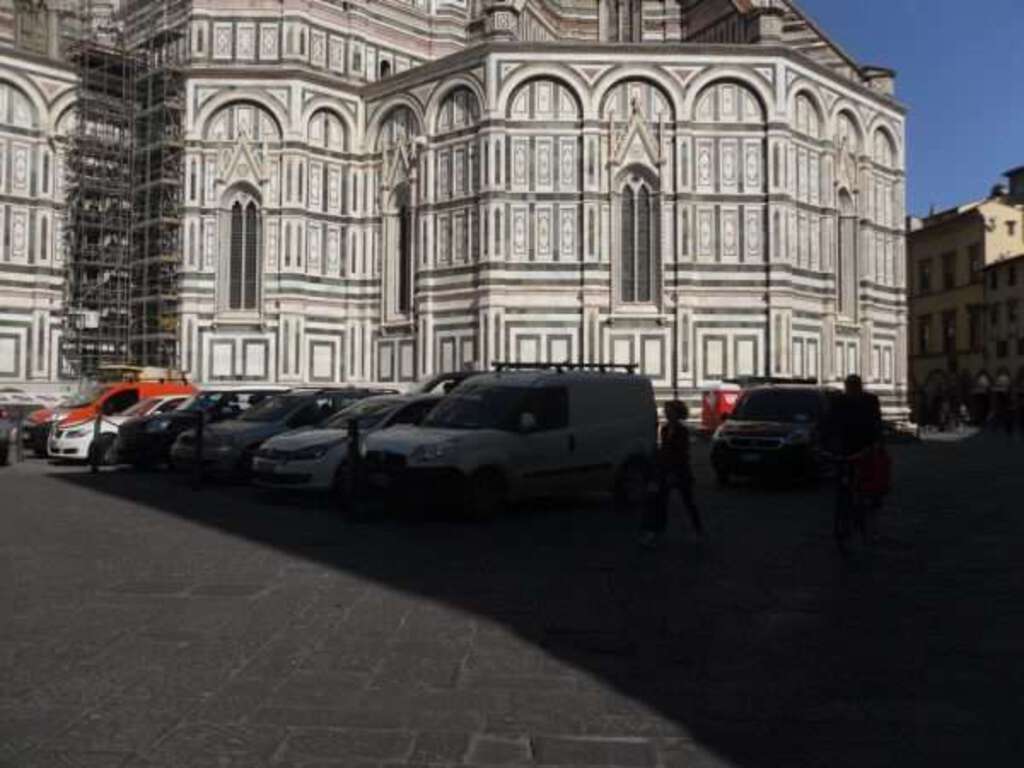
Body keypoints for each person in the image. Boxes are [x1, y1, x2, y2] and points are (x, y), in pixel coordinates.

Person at [641, 400, 704, 548]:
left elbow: (681, 453)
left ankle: (697, 531)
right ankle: (656, 532)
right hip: (667, 470)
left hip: (680, 471)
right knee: (660, 503)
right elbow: (665, 450)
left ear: (677, 413)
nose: (667, 414)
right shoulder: (665, 429)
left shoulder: (682, 431)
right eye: (666, 411)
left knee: (688, 503)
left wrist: (672, 470)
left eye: (669, 411)